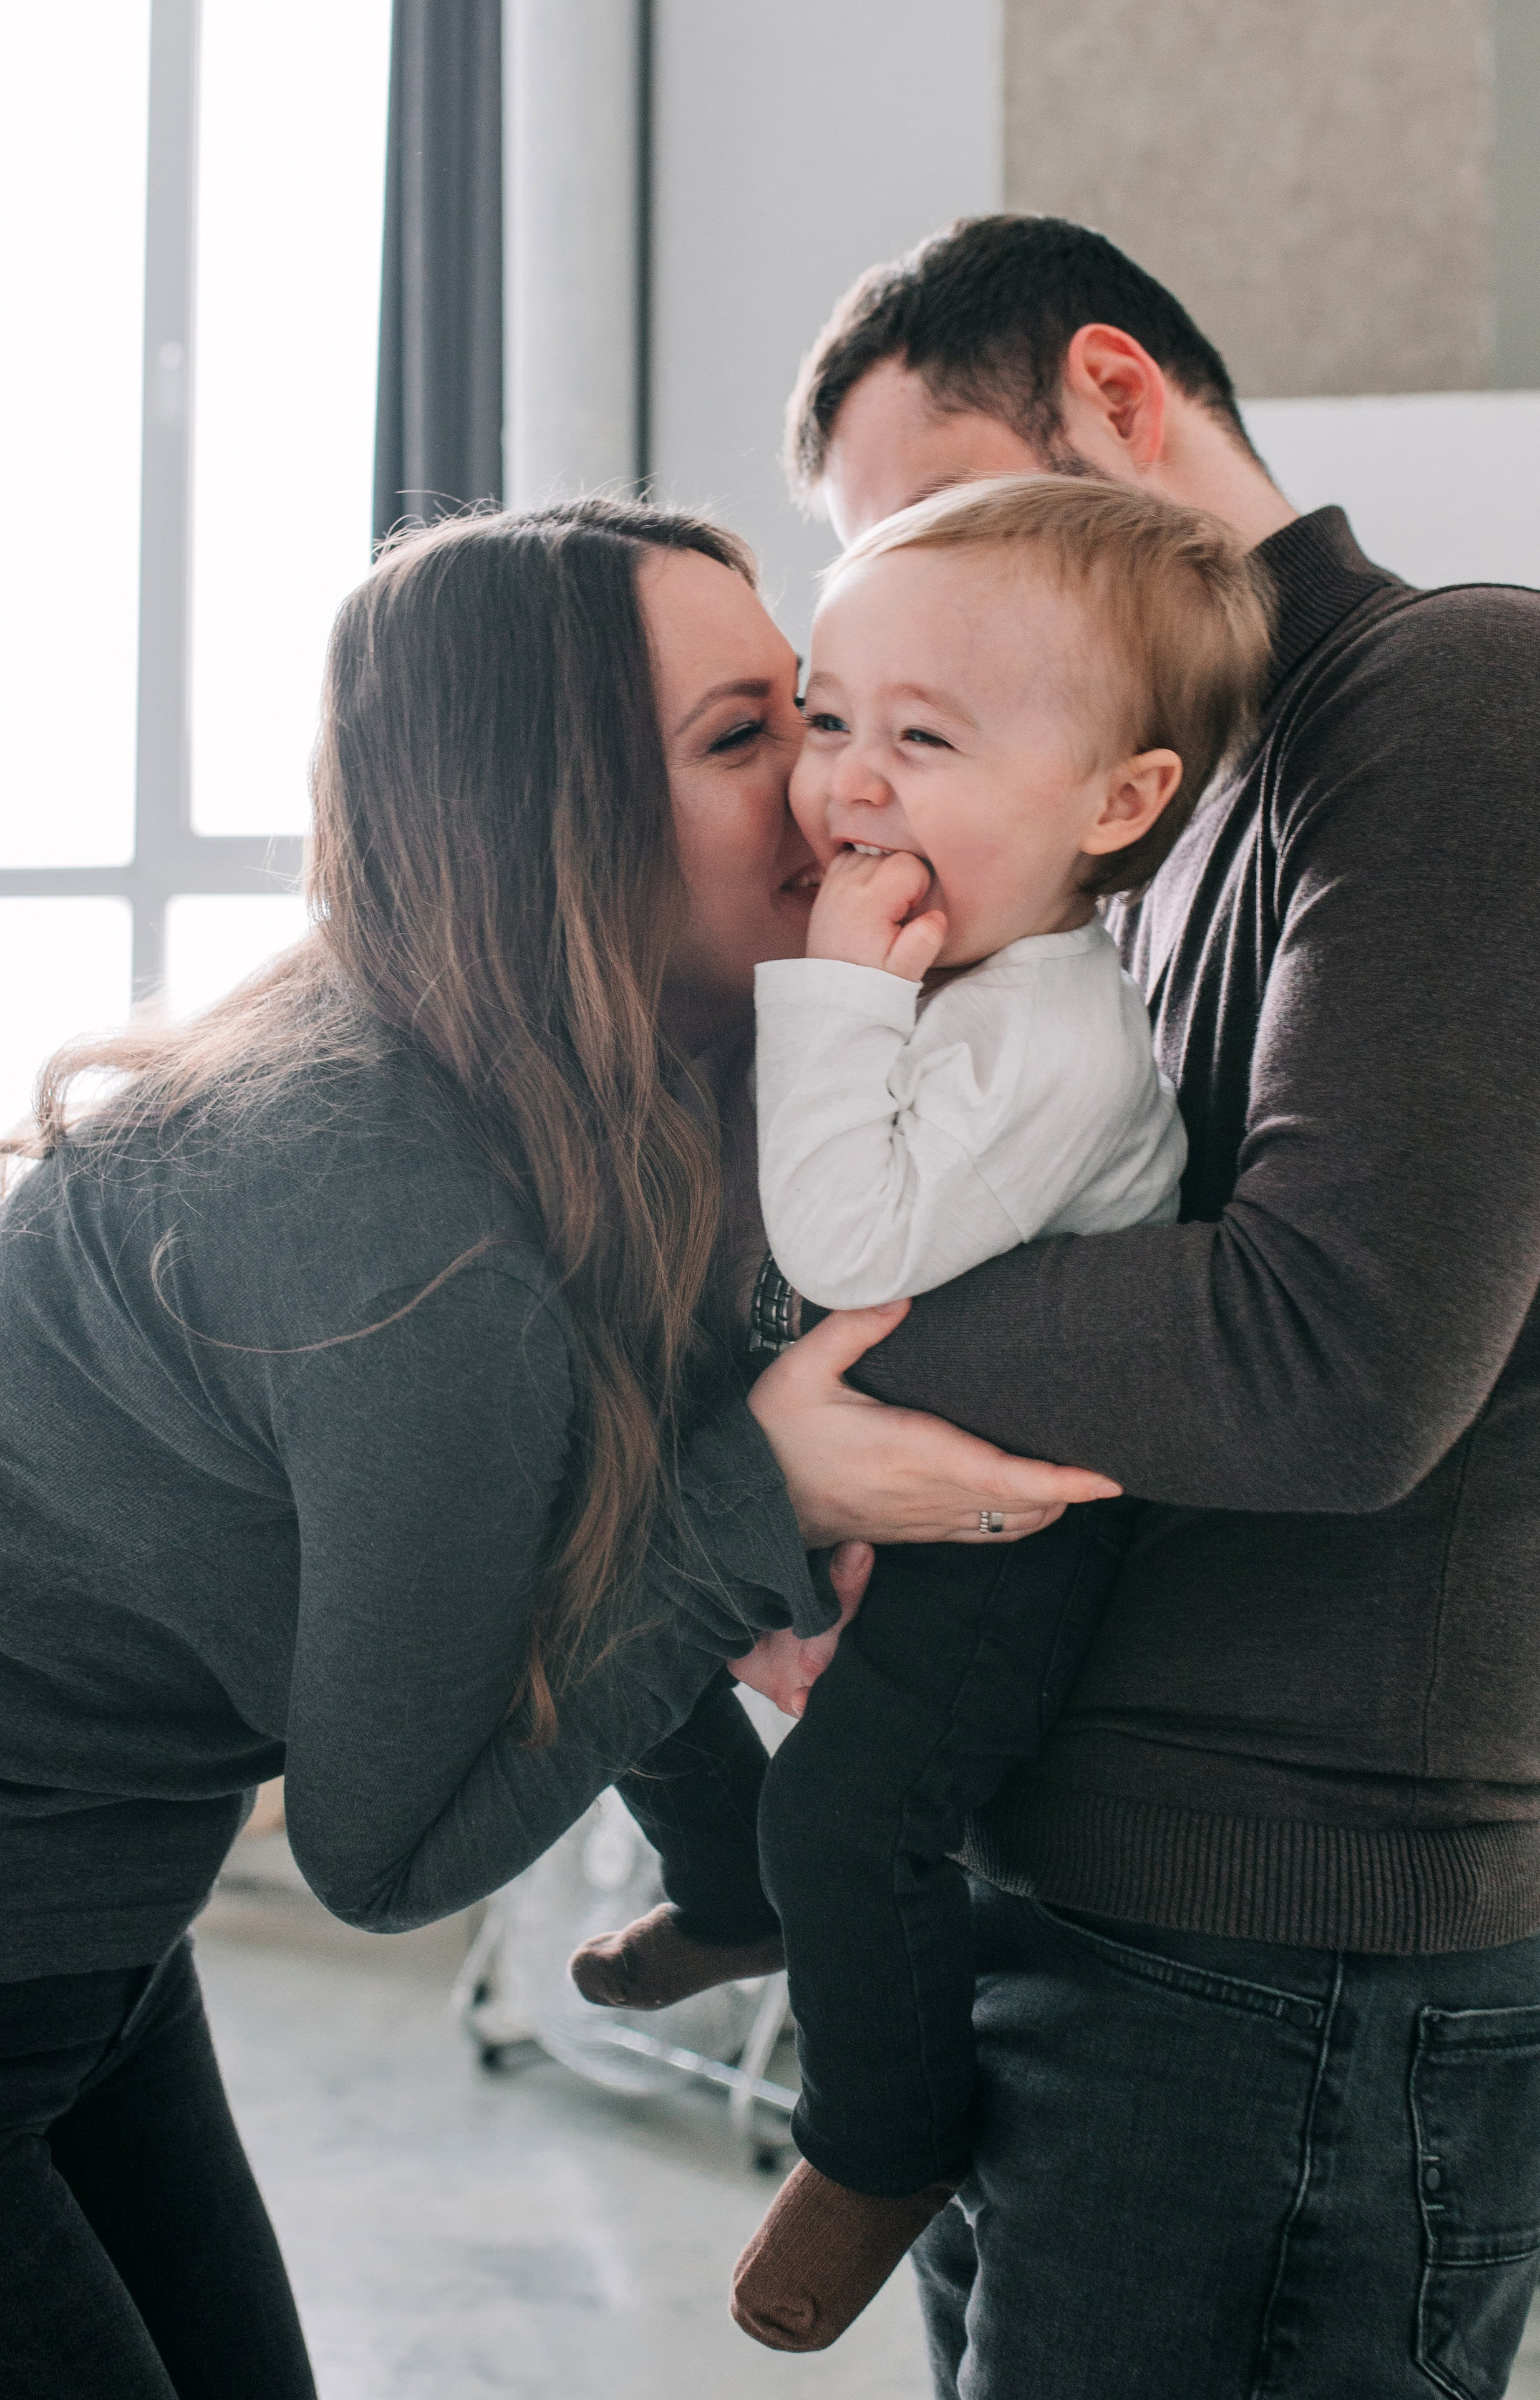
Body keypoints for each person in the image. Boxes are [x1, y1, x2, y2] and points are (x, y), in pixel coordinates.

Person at [0, 496, 1107, 2399]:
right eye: (745, 738)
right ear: (552, 816)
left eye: (823, 712)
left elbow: (596, 1534)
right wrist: (765, 1497)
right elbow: (385, 1850)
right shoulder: (394, 1212)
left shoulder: (558, 1102)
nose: (838, 789)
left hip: (85, 1947)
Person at [759, 214, 1540, 2398]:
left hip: (1287, 1962)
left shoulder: (1478, 690)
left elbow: (1325, 1366)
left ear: (1119, 400)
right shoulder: (1142, 831)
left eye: (952, 513)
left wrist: (784, 1394)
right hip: (1096, 1919)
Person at [569, 475, 1271, 2354]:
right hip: (869, 1455)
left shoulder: (1047, 1028)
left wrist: (822, 995)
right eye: (828, 719)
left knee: (850, 1817)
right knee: (617, 1631)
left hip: (1009, 1536)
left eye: (923, 738)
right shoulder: (935, 976)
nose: (843, 783)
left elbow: (848, 1224)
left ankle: (884, 2140)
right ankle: (724, 1889)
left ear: (1115, 805)